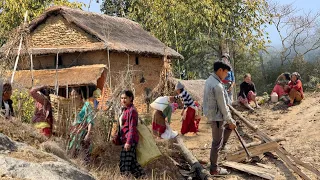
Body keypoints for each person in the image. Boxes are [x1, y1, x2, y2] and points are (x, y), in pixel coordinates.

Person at [203, 61, 237, 175]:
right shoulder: (217, 85)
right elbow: (222, 106)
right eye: (226, 72)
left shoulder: (210, 80)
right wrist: (230, 120)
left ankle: (222, 146)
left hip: (214, 114)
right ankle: (214, 169)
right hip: (217, 117)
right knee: (216, 142)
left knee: (227, 129)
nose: (227, 75)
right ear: (220, 70)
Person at [118, 90, 145, 178]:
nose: (123, 100)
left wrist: (128, 142)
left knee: (124, 165)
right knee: (132, 164)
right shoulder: (125, 110)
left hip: (129, 141)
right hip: (125, 140)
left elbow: (132, 128)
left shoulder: (132, 111)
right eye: (121, 98)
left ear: (130, 98)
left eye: (125, 98)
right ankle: (143, 177)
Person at [68, 87, 98, 163]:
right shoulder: (73, 108)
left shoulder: (86, 105)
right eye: (71, 95)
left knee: (82, 157)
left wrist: (88, 133)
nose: (73, 98)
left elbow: (90, 120)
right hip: (75, 138)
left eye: (75, 95)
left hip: (82, 136)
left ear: (80, 95)